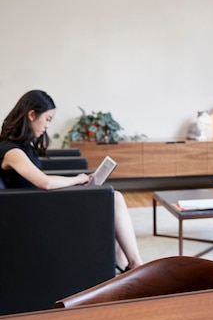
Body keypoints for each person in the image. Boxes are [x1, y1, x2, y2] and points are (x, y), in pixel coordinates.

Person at [0, 90, 143, 271]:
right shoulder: (12, 151)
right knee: (114, 199)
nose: (47, 126)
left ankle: (126, 266)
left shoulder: (22, 147)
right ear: (31, 115)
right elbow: (45, 183)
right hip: (33, 218)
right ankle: (134, 265)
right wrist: (77, 179)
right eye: (48, 119)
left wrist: (78, 182)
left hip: (38, 207)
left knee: (111, 203)